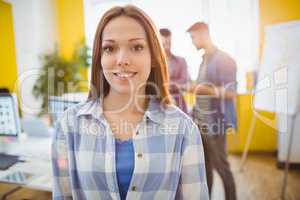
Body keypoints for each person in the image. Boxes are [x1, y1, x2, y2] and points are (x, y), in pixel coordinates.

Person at [52, 5, 208, 200]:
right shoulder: (68, 125)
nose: (122, 59)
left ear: (153, 57)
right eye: (110, 48)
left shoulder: (184, 129)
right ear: (100, 57)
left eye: (137, 47)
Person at [184, 22, 237, 200]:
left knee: (222, 167)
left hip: (215, 124)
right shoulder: (203, 60)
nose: (192, 42)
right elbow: (201, 89)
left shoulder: (225, 59)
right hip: (200, 123)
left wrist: (201, 89)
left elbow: (231, 93)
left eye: (193, 37)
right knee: (205, 169)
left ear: (203, 33)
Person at [159, 28, 189, 114]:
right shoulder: (153, 63)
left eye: (168, 43)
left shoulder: (181, 61)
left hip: (179, 104)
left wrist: (164, 84)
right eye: (164, 44)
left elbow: (184, 82)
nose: (166, 46)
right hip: (160, 104)